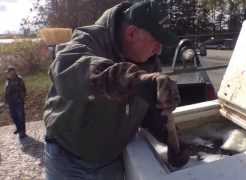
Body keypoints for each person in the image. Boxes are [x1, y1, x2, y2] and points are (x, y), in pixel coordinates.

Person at [43, 1, 188, 179]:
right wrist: (133, 81)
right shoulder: (89, 39)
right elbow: (66, 71)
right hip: (68, 159)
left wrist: (171, 139)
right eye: (156, 41)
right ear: (132, 33)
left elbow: (150, 111)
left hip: (112, 160)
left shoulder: (151, 62)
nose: (158, 50)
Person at [4, 66, 27, 139]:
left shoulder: (19, 80)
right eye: (8, 73)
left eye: (11, 72)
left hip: (18, 101)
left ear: (14, 72)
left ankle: (22, 132)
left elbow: (24, 90)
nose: (10, 74)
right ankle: (18, 128)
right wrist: (6, 101)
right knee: (14, 116)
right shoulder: (7, 81)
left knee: (21, 117)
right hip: (11, 102)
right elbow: (6, 92)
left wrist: (22, 97)